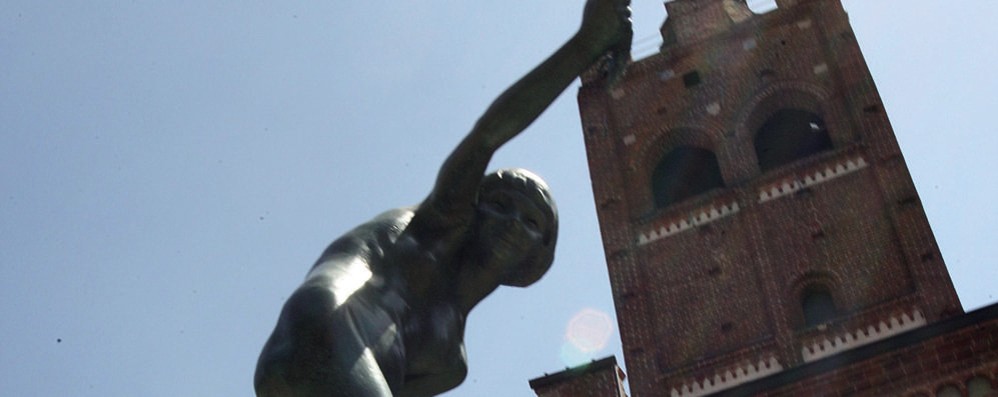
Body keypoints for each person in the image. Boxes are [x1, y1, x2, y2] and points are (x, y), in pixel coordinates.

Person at [254, 1, 632, 395]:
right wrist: (584, 46)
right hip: (324, 326)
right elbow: (487, 134)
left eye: (531, 221)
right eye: (501, 205)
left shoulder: (449, 364)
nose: (512, 222)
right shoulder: (440, 226)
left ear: (538, 255)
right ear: (474, 205)